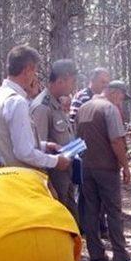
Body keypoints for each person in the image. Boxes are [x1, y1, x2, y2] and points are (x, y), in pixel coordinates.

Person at [0, 45, 71, 173]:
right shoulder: (17, 102)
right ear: (28, 70)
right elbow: (24, 152)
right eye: (35, 71)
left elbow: (5, 138)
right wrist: (55, 161)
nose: (35, 76)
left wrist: (43, 145)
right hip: (16, 181)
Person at [76, 80, 131, 261]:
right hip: (107, 168)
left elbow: (78, 138)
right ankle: (120, 255)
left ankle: (96, 254)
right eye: (122, 97)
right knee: (113, 211)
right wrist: (125, 166)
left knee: (91, 210)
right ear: (115, 93)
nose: (122, 101)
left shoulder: (83, 108)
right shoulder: (109, 109)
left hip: (86, 166)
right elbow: (116, 141)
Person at [30, 60, 79, 220]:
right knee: (59, 219)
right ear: (61, 80)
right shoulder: (42, 107)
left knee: (71, 217)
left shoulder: (57, 103)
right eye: (72, 81)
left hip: (66, 173)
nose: (74, 86)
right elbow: (37, 148)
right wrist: (48, 185)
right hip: (54, 177)